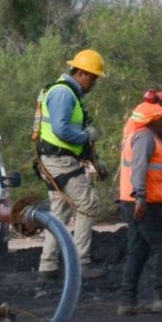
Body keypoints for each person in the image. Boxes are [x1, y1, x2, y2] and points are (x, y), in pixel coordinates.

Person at [116, 89, 162, 316]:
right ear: (157, 117)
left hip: (137, 202)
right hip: (142, 203)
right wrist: (140, 198)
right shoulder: (145, 137)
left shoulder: (143, 135)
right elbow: (139, 168)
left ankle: (127, 302)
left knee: (138, 250)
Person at [35, 49, 107, 280]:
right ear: (81, 73)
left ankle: (48, 266)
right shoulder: (63, 94)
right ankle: (80, 263)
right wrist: (87, 136)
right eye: (93, 77)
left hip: (56, 159)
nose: (94, 83)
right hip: (59, 160)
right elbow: (62, 130)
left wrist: (95, 157)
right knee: (88, 204)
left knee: (59, 212)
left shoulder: (67, 94)